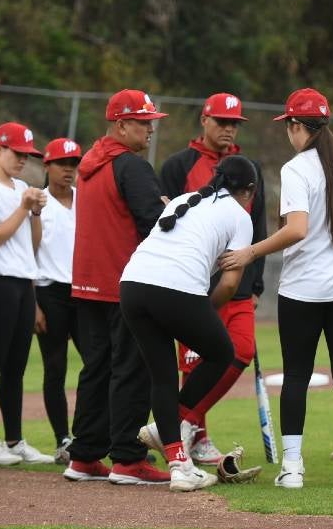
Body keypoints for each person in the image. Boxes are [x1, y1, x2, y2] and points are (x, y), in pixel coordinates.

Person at [219, 88, 333, 491]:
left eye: (289, 126)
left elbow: (296, 229)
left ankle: (292, 468)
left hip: (302, 291)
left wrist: (249, 253)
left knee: (296, 377)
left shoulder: (296, 169)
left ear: (297, 126)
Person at [122, 155, 258, 492]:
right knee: (222, 351)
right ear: (249, 190)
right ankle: (176, 421)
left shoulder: (185, 200)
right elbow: (228, 285)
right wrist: (203, 314)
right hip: (175, 288)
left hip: (131, 286)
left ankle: (180, 466)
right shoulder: (241, 216)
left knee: (163, 374)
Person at [152, 93, 267, 464]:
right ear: (204, 121)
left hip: (238, 285)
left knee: (241, 349)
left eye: (233, 123)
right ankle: (197, 437)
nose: (228, 129)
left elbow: (259, 227)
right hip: (193, 284)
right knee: (193, 364)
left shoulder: (249, 169)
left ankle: (183, 422)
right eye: (221, 121)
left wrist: (258, 284)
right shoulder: (177, 165)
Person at [63, 89, 168, 484]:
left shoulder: (91, 163)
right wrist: (169, 206)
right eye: (144, 122)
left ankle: (85, 455)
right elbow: (155, 225)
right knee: (131, 369)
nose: (150, 129)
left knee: (97, 368)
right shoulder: (131, 167)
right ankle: (127, 458)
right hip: (123, 282)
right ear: (121, 124)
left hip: (88, 284)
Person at [0, 122, 53, 466]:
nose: (22, 160)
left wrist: (34, 212)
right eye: (17, 153)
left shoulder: (21, 187)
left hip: (21, 281)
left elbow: (31, 244)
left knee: (16, 366)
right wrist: (22, 206)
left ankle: (15, 440)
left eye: (27, 155)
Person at [33, 138, 83, 463]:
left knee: (98, 363)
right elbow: (27, 252)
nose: (68, 169)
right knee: (55, 368)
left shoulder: (86, 199)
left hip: (83, 292)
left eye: (73, 163)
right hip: (48, 292)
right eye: (61, 163)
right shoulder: (38, 203)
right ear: (47, 166)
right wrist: (33, 302)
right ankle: (62, 439)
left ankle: (88, 434)